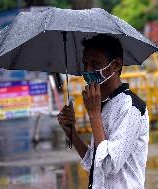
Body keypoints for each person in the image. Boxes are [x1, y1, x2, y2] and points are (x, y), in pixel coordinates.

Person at [57, 34, 149, 189]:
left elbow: (108, 165)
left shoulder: (131, 107)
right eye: (85, 64)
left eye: (95, 63)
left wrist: (94, 114)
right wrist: (71, 132)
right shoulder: (105, 104)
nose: (88, 71)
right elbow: (95, 163)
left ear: (116, 65)